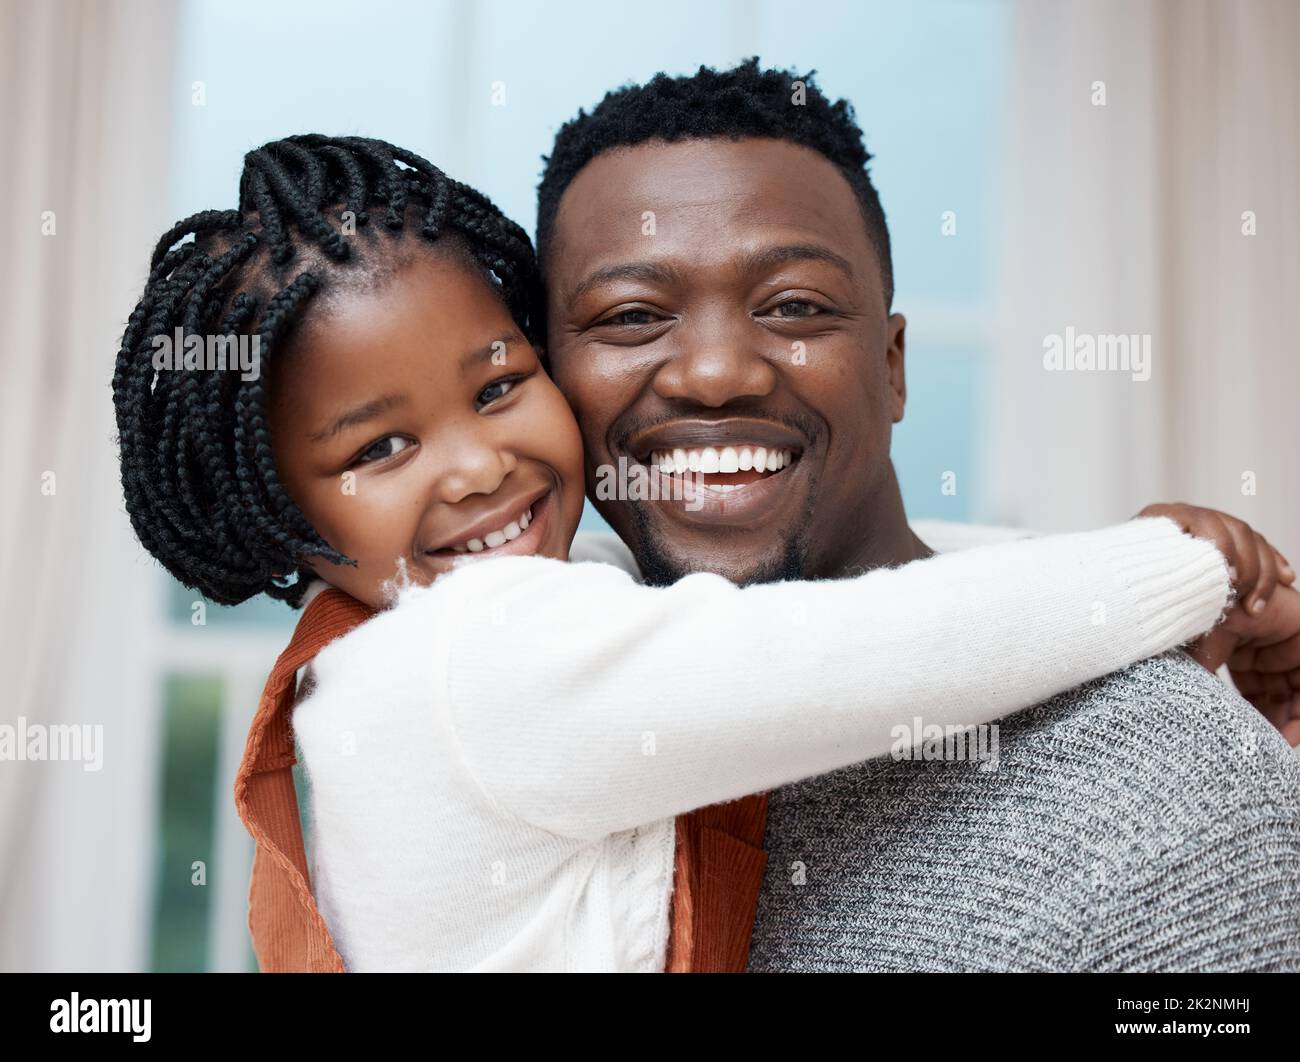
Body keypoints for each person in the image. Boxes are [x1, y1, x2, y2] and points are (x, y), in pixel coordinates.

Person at [112, 134, 1281, 972]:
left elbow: (864, 608)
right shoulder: (474, 661)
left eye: (500, 386)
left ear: (895, 360)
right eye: (380, 447)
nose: (473, 468)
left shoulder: (484, 627)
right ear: (280, 513)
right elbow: (852, 651)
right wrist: (1180, 568)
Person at [534, 58, 1300, 970]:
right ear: (546, 379)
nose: (715, 373)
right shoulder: (518, 724)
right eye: (629, 317)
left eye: (795, 307)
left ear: (893, 366)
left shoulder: (1171, 792)